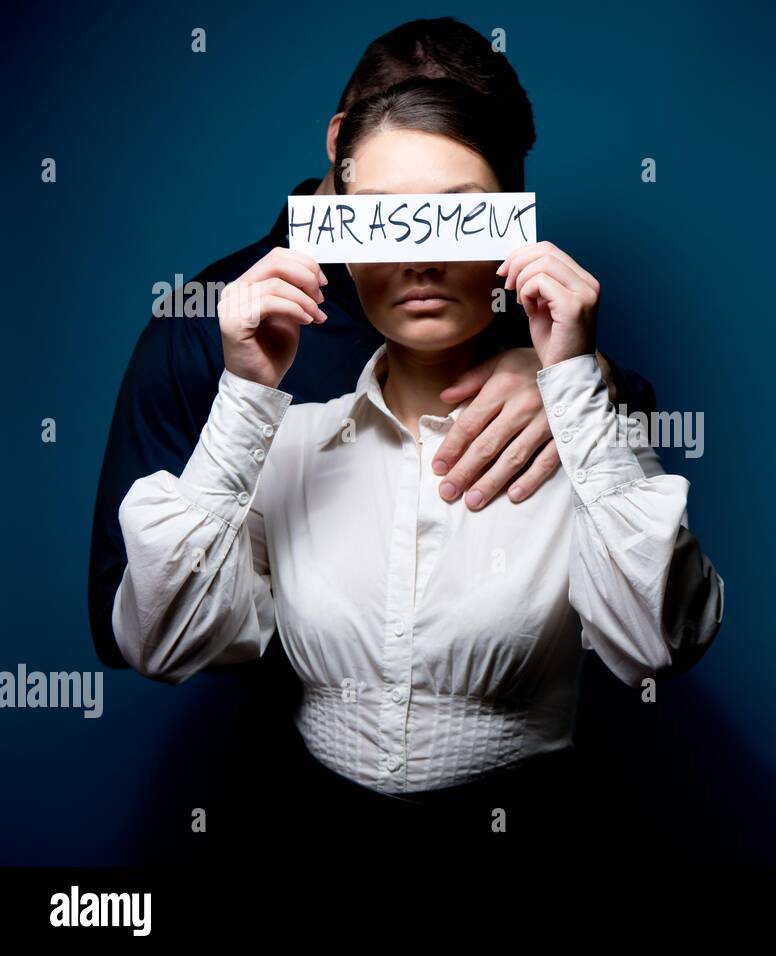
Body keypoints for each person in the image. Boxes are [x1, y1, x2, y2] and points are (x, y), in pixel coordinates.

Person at [110, 76, 725, 860]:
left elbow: (662, 643)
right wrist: (243, 396)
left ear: (509, 235)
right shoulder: (290, 446)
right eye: (383, 218)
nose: (421, 253)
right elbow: (158, 641)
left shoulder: (587, 447)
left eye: (458, 212)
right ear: (341, 239)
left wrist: (571, 376)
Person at [88, 17, 655, 673]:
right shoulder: (198, 326)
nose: (432, 246)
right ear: (343, 143)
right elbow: (124, 619)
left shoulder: (516, 297)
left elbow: (625, 527)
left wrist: (589, 378)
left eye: (469, 199)